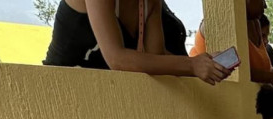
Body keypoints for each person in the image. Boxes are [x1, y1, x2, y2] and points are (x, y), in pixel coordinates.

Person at [44, 0, 229, 84]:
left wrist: (207, 63)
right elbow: (117, 59)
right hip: (56, 90)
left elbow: (156, 57)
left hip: (97, 91)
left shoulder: (150, 3)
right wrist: (192, 66)